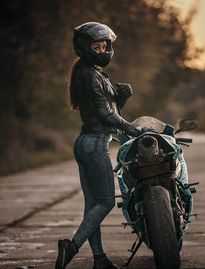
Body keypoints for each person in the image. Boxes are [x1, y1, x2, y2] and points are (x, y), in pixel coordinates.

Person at [55, 22, 143, 269]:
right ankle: (71, 247)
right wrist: (131, 127)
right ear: (85, 48)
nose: (103, 49)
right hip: (95, 143)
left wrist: (121, 98)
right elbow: (105, 114)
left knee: (92, 207)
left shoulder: (89, 71)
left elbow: (105, 111)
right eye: (97, 46)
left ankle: (100, 259)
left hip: (86, 142)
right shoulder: (91, 75)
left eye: (105, 45)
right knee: (104, 202)